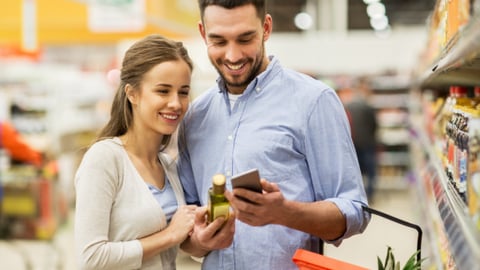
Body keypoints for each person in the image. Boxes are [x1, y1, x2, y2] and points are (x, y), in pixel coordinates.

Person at [177, 1, 370, 269]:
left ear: (266, 28)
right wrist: (201, 240)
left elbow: (354, 211)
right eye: (218, 41)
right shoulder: (195, 117)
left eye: (245, 39)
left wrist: (286, 212)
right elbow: (186, 230)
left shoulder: (313, 102)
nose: (232, 56)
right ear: (202, 33)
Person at [74, 34, 197, 270]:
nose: (176, 103)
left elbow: (179, 244)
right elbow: (90, 258)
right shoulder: (105, 159)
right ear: (132, 94)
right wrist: (170, 235)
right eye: (163, 91)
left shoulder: (168, 166)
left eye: (183, 92)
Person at [344, 76, 378, 201]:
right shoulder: (368, 106)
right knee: (370, 173)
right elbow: (374, 125)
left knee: (355, 172)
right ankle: (370, 196)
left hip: (353, 143)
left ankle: (357, 196)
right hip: (368, 143)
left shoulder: (347, 106)